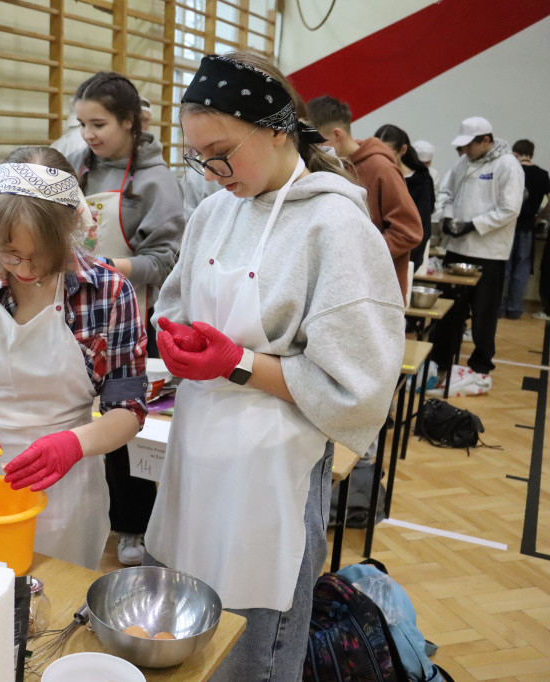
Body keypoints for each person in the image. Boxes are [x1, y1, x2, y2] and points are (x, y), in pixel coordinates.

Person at [144, 52, 405, 681]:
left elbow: (357, 389)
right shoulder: (215, 213)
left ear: (278, 129)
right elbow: (176, 302)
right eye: (197, 156)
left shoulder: (335, 226)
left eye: (222, 151)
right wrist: (175, 342)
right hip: (198, 448)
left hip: (274, 465)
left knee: (253, 646)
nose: (210, 172)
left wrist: (236, 364)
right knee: (190, 615)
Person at [0, 146, 149, 571]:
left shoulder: (108, 292)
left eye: (41, 256)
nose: (25, 270)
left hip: (69, 483)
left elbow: (128, 410)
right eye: (9, 253)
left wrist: (74, 443)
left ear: (73, 227)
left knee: (55, 605)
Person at [65, 71, 184, 565]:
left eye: (100, 124)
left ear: (131, 123)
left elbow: (169, 258)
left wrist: (111, 269)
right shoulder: (76, 167)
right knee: (81, 416)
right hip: (74, 309)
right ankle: (86, 509)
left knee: (125, 422)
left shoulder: (157, 181)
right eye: (82, 124)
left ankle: (135, 526)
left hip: (131, 313)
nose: (89, 134)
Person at [431, 117, 524, 378]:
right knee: (448, 308)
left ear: (486, 140)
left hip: (489, 252)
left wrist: (473, 224)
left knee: (484, 312)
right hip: (457, 247)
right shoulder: (463, 163)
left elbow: (510, 209)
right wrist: (447, 217)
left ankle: (481, 362)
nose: (465, 151)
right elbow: (447, 194)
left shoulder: (508, 165)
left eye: (470, 145)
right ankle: (441, 358)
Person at [306, 96, 423, 300]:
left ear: (337, 134)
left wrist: (357, 252)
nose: (315, 149)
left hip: (379, 291)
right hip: (345, 284)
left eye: (319, 141)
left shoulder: (381, 168)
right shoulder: (333, 164)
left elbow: (409, 231)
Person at [375, 123, 436, 272]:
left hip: (403, 259)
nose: (382, 160)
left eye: (388, 155)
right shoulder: (373, 174)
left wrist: (408, 263)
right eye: (377, 154)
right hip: (373, 255)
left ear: (403, 150)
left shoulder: (421, 181)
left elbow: (421, 228)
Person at [505, 140, 550, 320]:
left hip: (508, 225)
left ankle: (499, 308)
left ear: (515, 153)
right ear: (531, 154)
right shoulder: (542, 174)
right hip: (528, 226)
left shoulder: (512, 171)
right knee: (522, 269)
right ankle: (515, 309)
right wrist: (539, 216)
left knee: (505, 268)